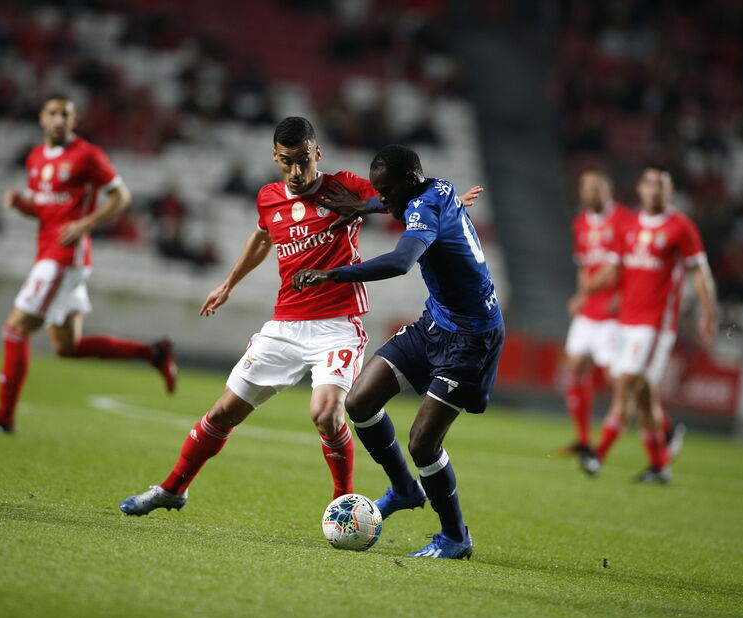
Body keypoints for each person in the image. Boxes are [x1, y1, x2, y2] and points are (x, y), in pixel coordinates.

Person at [119, 118, 482, 515]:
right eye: (288, 162)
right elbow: (262, 237)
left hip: (338, 325)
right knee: (222, 412)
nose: (297, 171)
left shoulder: (342, 185)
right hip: (285, 325)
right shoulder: (268, 198)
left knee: (326, 413)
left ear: (317, 154)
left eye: (304, 160)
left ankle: (342, 504)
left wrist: (447, 204)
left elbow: (396, 198)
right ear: (275, 157)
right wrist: (228, 284)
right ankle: (173, 489)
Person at [293, 144, 504, 560]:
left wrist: (330, 274)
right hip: (435, 325)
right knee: (359, 401)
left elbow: (401, 262)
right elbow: (407, 205)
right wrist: (367, 206)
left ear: (409, 182)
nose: (383, 198)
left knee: (423, 444)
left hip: (471, 339)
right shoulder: (437, 189)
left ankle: (454, 536)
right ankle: (406, 489)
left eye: (386, 191)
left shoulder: (424, 206)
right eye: (379, 191)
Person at [0, 94, 177, 434]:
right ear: (41, 118)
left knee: (15, 329)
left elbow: (121, 197)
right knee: (67, 346)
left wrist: (85, 224)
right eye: (53, 113)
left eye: (66, 114)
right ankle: (153, 353)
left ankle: (3, 419)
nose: (59, 119)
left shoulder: (88, 155)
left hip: (63, 258)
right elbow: (46, 209)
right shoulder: (34, 158)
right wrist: (22, 205)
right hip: (49, 254)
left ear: (74, 121)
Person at [578, 167, 717, 483]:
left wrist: (708, 313)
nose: (655, 190)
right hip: (624, 321)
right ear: (640, 189)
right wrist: (583, 293)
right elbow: (613, 270)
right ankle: (660, 463)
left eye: (662, 185)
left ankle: (597, 457)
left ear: (670, 192)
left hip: (654, 325)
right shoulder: (628, 224)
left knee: (626, 382)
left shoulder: (681, 227)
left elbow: (699, 271)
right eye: (650, 184)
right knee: (642, 395)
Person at [562, 171, 632, 455]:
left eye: (595, 189)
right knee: (574, 366)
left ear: (608, 190)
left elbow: (629, 265)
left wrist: (621, 295)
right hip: (589, 309)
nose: (589, 194)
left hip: (613, 312)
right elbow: (584, 265)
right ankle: (583, 438)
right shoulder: (580, 224)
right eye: (585, 188)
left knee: (619, 380)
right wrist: (581, 295)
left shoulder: (625, 219)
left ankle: (660, 429)